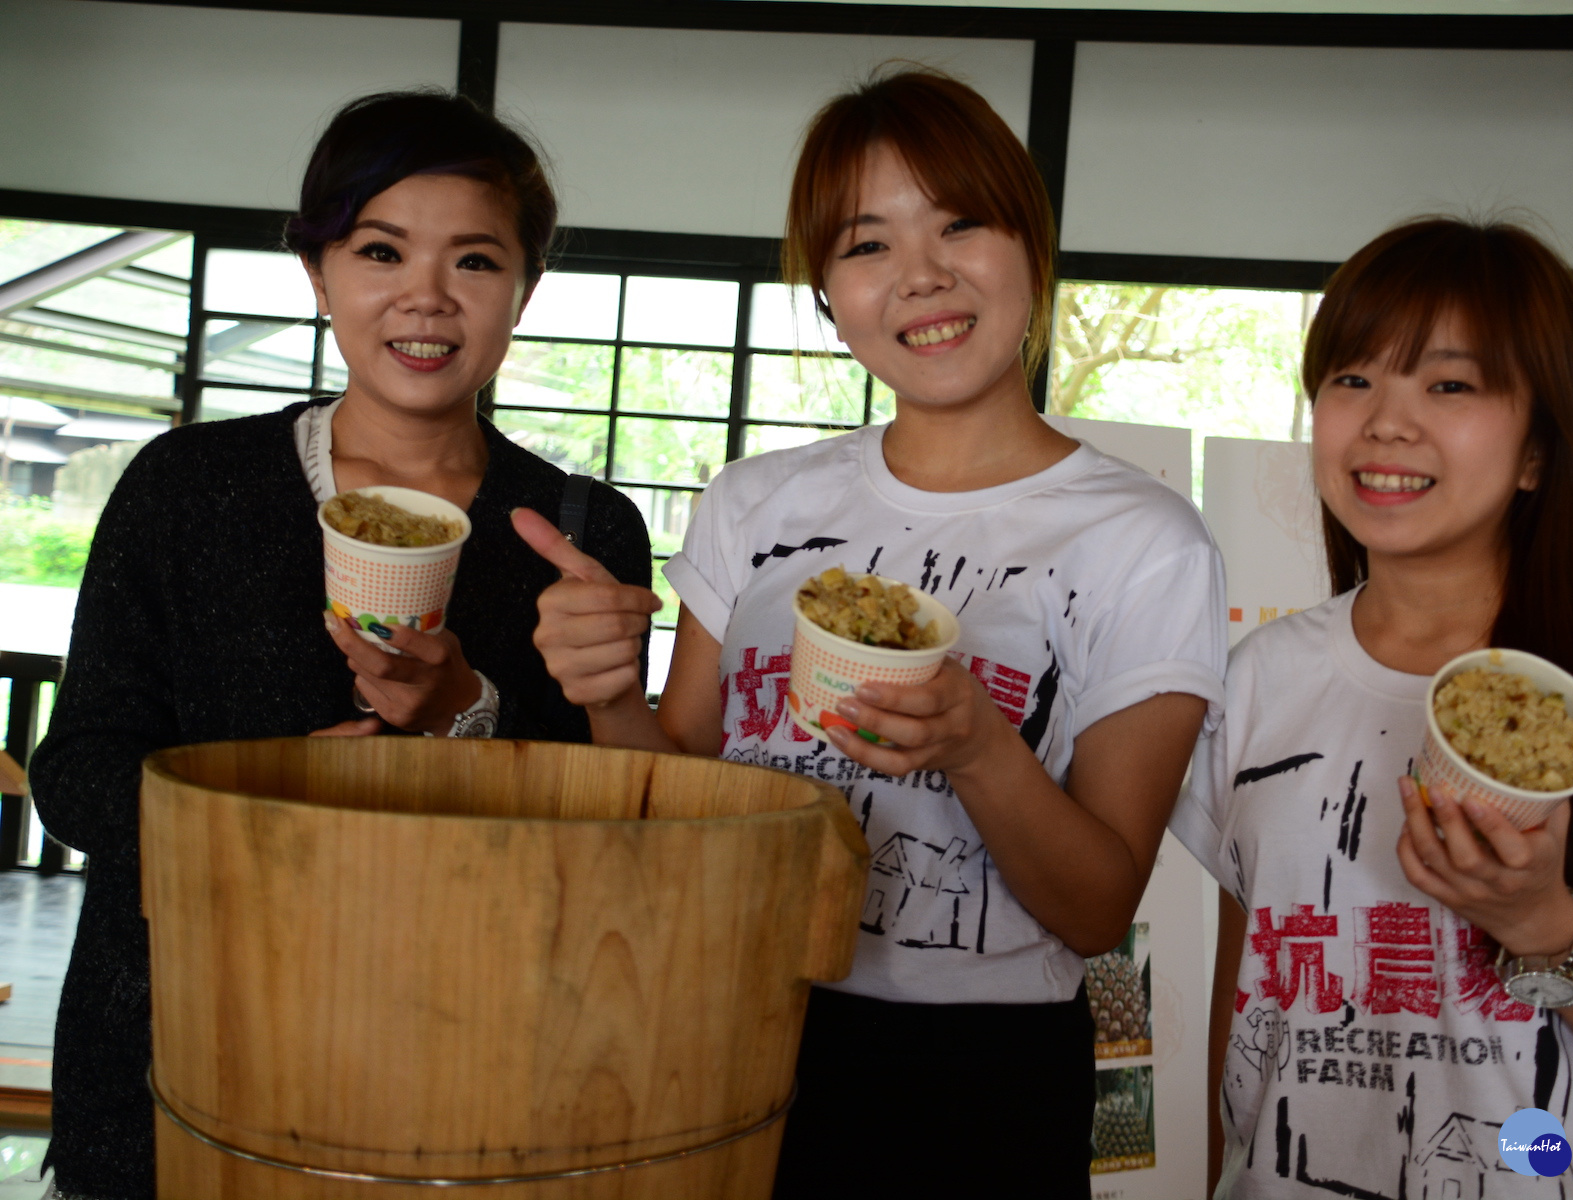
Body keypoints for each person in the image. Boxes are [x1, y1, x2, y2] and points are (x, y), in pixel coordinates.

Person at [513, 69, 1226, 1197]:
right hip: (725, 1022)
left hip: (974, 1079)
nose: (924, 276)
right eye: (866, 244)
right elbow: (675, 811)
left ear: (1032, 247)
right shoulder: (755, 504)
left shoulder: (1143, 538)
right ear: (828, 296)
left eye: (961, 223)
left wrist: (978, 744)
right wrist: (609, 702)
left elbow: (1097, 910)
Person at [29, 90, 650, 1200]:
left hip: (461, 1061)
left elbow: (608, 838)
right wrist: (268, 800)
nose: (425, 296)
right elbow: (75, 773)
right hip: (176, 1042)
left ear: (524, 291)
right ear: (317, 273)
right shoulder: (188, 489)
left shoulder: (584, 534)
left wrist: (469, 712)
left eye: (475, 261)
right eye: (378, 249)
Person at [1171, 217, 1573, 1199]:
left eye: (1449, 384)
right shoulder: (1258, 681)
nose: (1385, 421)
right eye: (1353, 377)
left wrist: (1545, 924)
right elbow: (1245, 994)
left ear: (1538, 453)